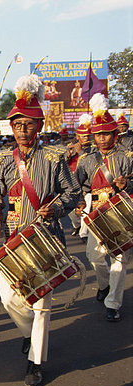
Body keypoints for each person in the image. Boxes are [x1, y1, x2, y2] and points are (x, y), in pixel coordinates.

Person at [0, 74, 81, 386]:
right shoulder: (0, 161)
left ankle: (35, 362)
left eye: (29, 125)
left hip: (46, 239)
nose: (23, 130)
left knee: (41, 304)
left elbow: (74, 194)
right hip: (13, 241)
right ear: (12, 128)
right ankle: (28, 335)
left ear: (39, 127)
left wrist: (57, 208)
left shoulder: (54, 158)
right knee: (7, 296)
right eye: (18, 125)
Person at [75, 94, 133, 323]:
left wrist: (127, 184)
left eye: (106, 133)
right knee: (94, 256)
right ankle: (105, 284)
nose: (102, 138)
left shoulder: (127, 157)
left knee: (119, 259)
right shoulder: (87, 159)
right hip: (97, 210)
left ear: (115, 134)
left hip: (121, 210)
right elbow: (75, 185)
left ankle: (113, 303)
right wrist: (79, 201)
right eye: (98, 134)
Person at [66, 114, 94, 238]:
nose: (86, 138)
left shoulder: (94, 150)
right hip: (71, 187)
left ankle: (84, 235)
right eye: (83, 136)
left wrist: (81, 152)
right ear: (78, 137)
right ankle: (76, 226)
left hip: (85, 187)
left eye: (88, 136)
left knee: (85, 213)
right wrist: (67, 155)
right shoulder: (70, 148)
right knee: (72, 214)